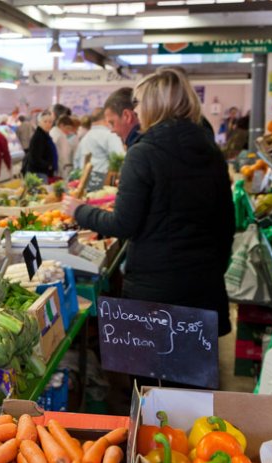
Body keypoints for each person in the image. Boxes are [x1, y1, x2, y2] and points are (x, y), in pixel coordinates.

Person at [62, 67, 235, 355]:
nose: (138, 110)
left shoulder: (143, 153)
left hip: (157, 288)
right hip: (204, 283)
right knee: (193, 373)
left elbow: (123, 223)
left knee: (153, 381)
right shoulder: (210, 150)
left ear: (154, 105)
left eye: (140, 102)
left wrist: (80, 211)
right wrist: (214, 267)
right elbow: (227, 223)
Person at [74, 109, 125, 185]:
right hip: (102, 185)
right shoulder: (110, 135)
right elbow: (120, 158)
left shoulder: (85, 138)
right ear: (106, 118)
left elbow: (76, 161)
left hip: (84, 183)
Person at [24, 110, 57, 182]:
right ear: (39, 123)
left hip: (41, 172)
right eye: (45, 122)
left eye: (50, 122)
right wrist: (49, 165)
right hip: (38, 173)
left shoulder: (44, 135)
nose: (48, 124)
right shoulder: (39, 137)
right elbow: (35, 158)